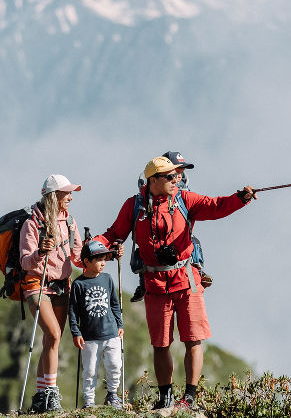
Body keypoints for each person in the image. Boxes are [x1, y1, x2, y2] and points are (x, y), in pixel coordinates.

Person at [93, 156, 256, 410]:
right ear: (153, 180)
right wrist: (93, 247)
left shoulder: (184, 199)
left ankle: (189, 396)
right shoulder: (133, 206)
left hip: (187, 278)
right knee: (160, 343)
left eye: (176, 175)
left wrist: (240, 199)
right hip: (155, 283)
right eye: (169, 176)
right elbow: (114, 234)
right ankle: (165, 395)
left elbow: (216, 206)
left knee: (194, 339)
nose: (175, 179)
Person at [19, 174, 84, 413]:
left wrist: (100, 255)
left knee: (50, 341)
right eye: (65, 193)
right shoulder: (32, 224)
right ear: (52, 196)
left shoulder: (70, 223)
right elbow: (25, 262)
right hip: (37, 285)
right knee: (55, 335)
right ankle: (52, 394)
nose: (70, 197)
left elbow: (77, 258)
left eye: (70, 193)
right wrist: (39, 253)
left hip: (61, 287)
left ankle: (39, 397)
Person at [130, 151, 212, 303]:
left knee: (192, 243)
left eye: (181, 171)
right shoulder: (150, 183)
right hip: (155, 234)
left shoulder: (182, 186)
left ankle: (198, 271)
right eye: (177, 170)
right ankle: (143, 283)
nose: (179, 175)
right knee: (144, 250)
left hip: (178, 236)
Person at [69, 240, 124, 409]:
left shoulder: (107, 279)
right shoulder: (78, 284)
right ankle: (89, 402)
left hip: (112, 333)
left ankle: (113, 394)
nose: (103, 262)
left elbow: (114, 303)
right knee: (90, 371)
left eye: (105, 258)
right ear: (86, 262)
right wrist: (75, 332)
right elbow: (72, 311)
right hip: (89, 337)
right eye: (98, 259)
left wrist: (119, 323)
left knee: (115, 365)